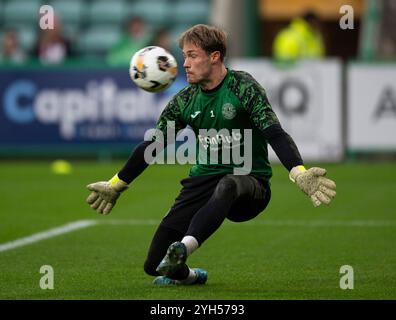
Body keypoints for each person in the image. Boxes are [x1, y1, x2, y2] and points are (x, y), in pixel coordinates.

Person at [86, 24, 337, 285]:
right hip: (203, 181)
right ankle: (190, 275)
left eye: (192, 55)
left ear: (214, 57)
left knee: (228, 183)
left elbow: (275, 133)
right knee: (154, 265)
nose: (184, 64)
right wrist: (116, 184)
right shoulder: (184, 100)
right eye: (184, 56)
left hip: (249, 183)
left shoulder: (243, 87)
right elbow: (153, 146)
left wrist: (298, 172)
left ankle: (184, 248)